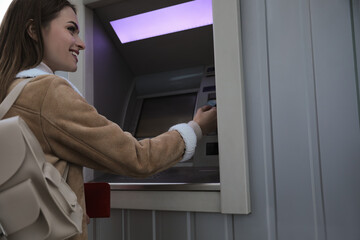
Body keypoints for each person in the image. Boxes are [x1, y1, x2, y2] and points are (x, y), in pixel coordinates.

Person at [0, 0, 217, 239]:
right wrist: (196, 129)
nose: (81, 44)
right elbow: (139, 158)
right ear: (33, 31)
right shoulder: (47, 92)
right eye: (71, 29)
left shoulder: (10, 91)